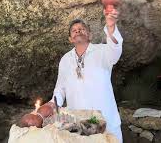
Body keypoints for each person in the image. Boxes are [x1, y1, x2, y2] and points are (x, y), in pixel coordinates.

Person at [20, 8, 123, 142]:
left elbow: (115, 49)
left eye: (82, 29)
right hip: (79, 123)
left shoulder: (103, 51)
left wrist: (111, 27)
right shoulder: (65, 60)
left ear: (90, 35)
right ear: (70, 39)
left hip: (106, 119)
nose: (78, 31)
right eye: (74, 30)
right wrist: (51, 105)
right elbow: (60, 89)